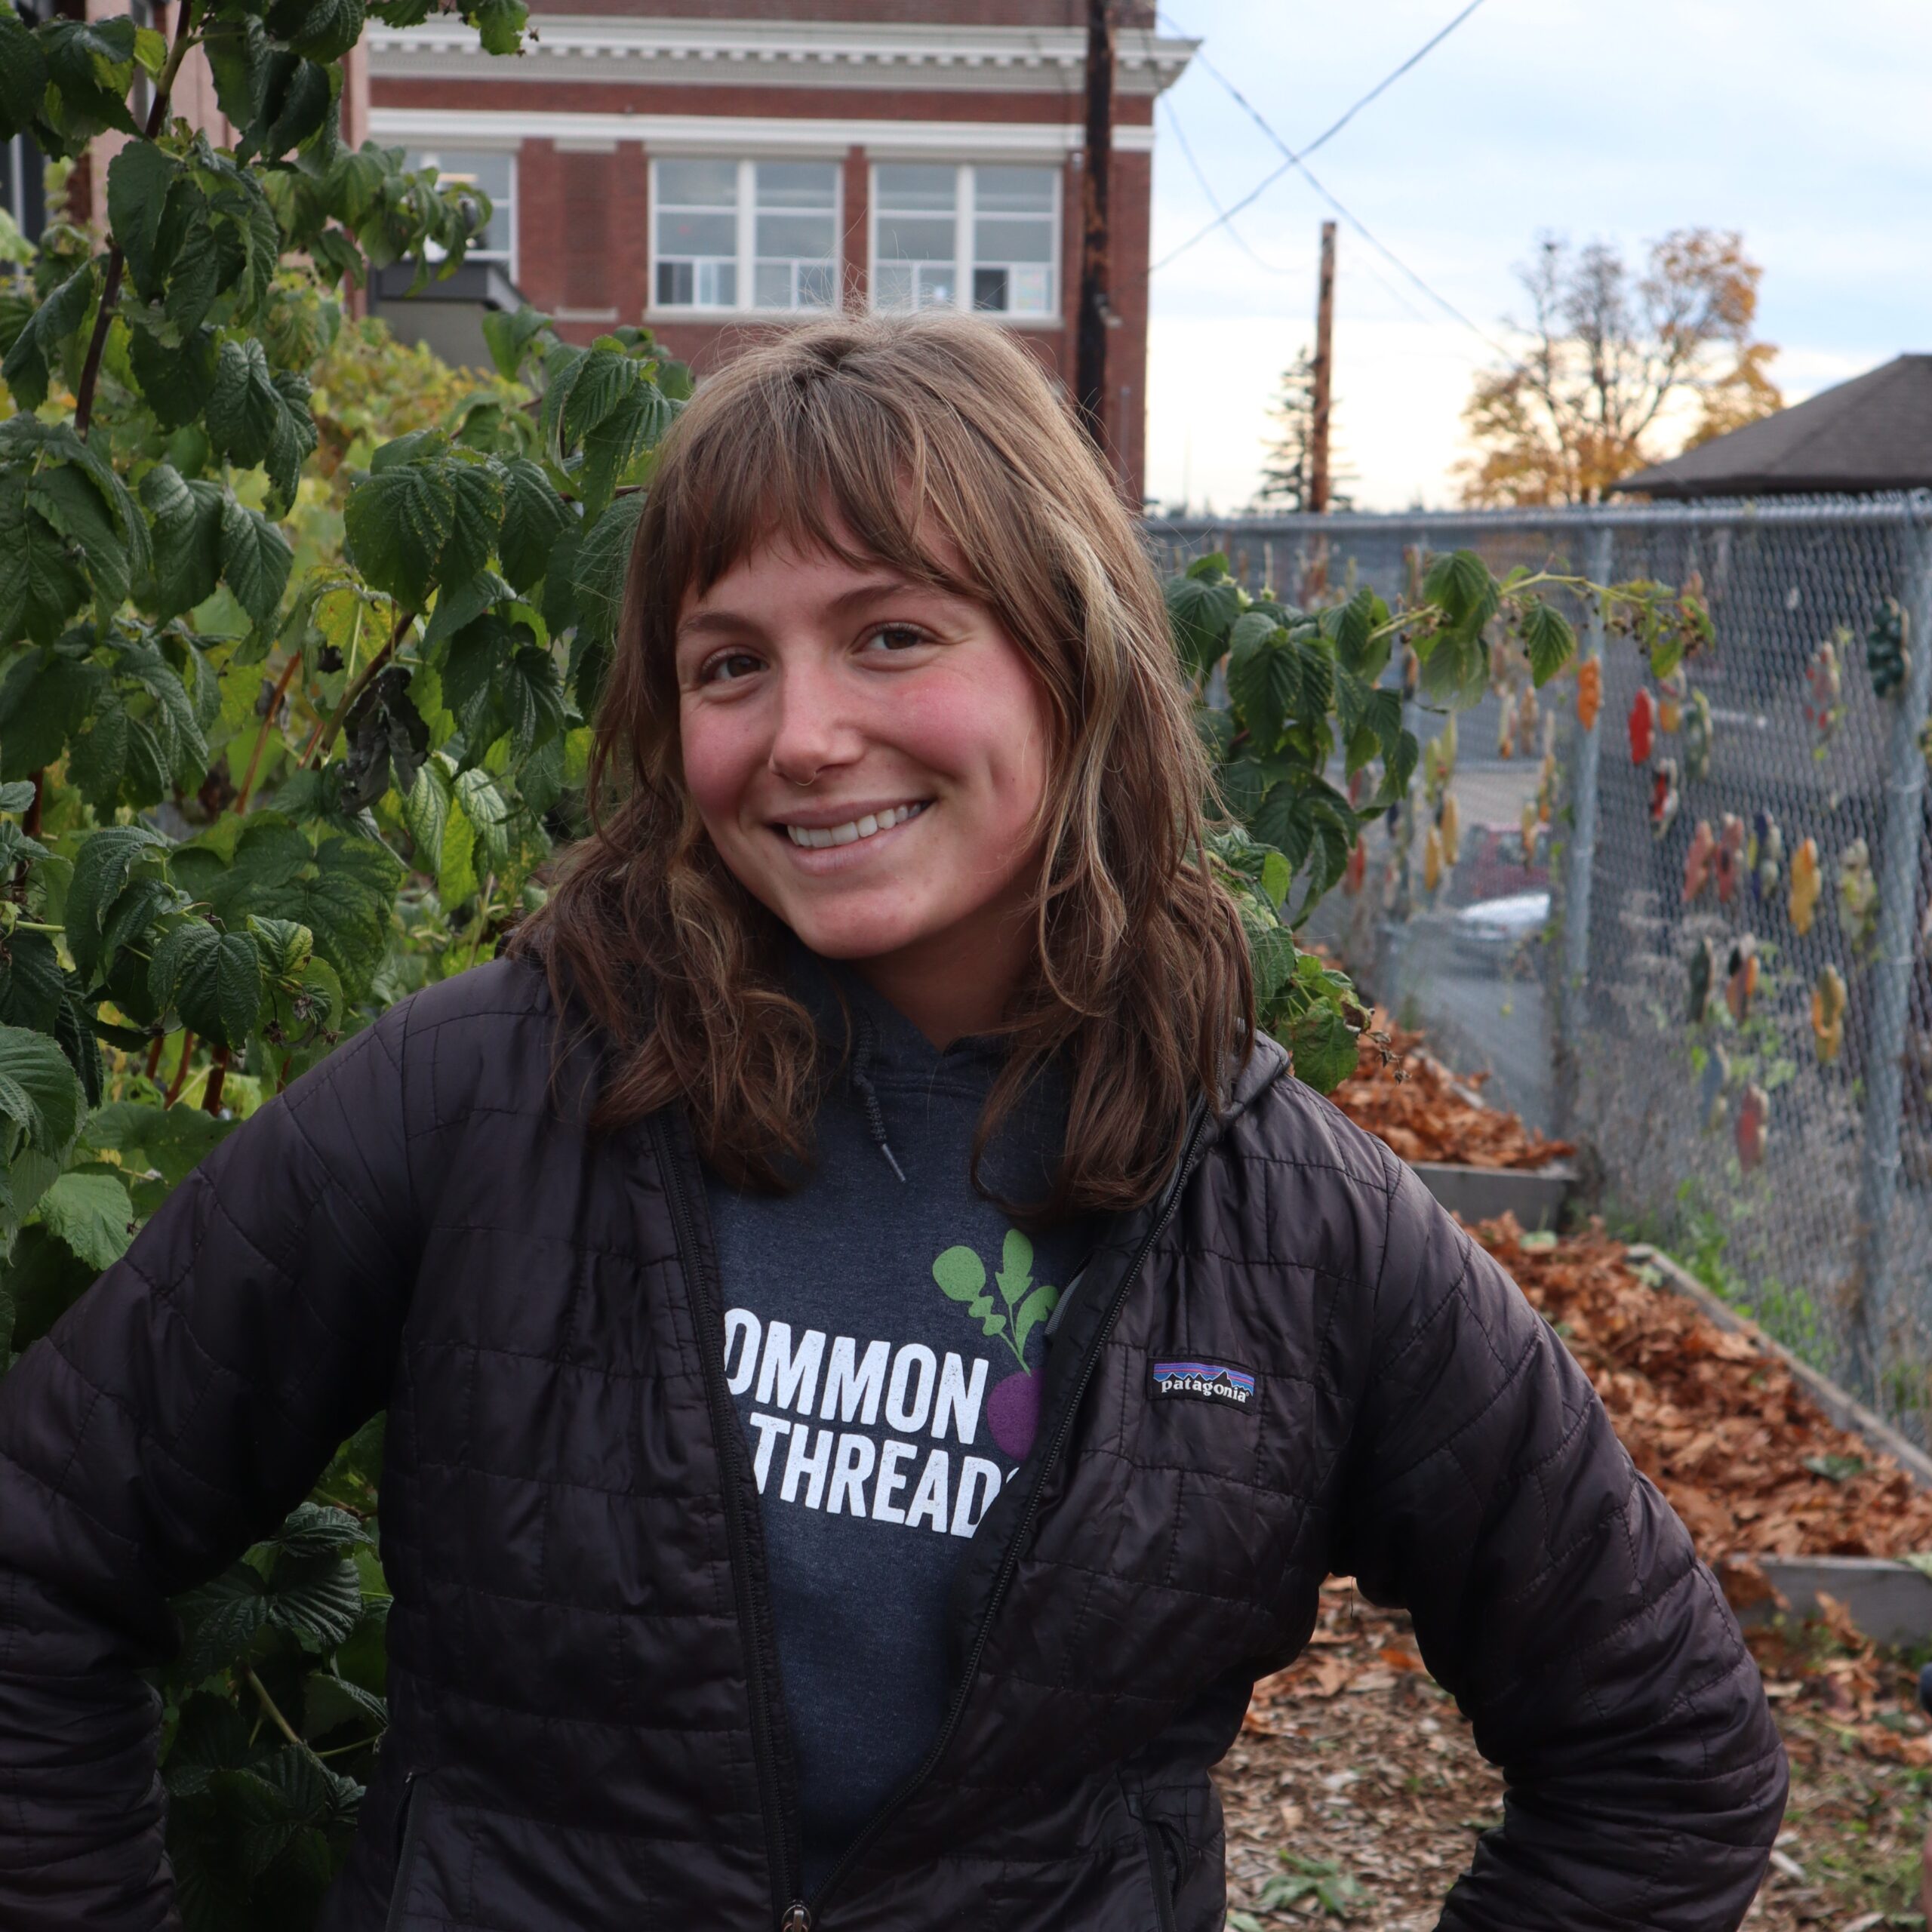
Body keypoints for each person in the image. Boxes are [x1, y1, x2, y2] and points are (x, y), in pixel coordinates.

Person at [0, 312, 1784, 1932]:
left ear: (1066, 656)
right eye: (726, 665)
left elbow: (1662, 1750)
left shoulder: (1282, 1216)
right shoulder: (490, 1092)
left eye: (891, 634)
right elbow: (41, 1550)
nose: (802, 734)